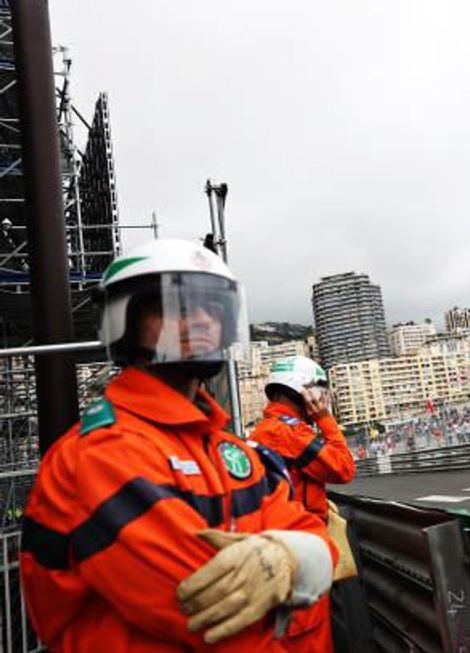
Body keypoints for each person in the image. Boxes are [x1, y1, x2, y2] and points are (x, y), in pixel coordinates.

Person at [20, 239, 336, 652]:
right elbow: (210, 616)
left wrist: (295, 556)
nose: (204, 320)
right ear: (124, 321)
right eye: (179, 307)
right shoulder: (101, 456)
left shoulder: (230, 451)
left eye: (214, 309)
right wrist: (304, 574)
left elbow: (315, 533)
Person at [249, 355, 356, 653]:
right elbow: (343, 469)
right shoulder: (288, 433)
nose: (321, 398)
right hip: (301, 550)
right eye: (318, 389)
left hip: (286, 547)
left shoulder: (268, 428)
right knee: (310, 636)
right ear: (301, 389)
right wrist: (326, 420)